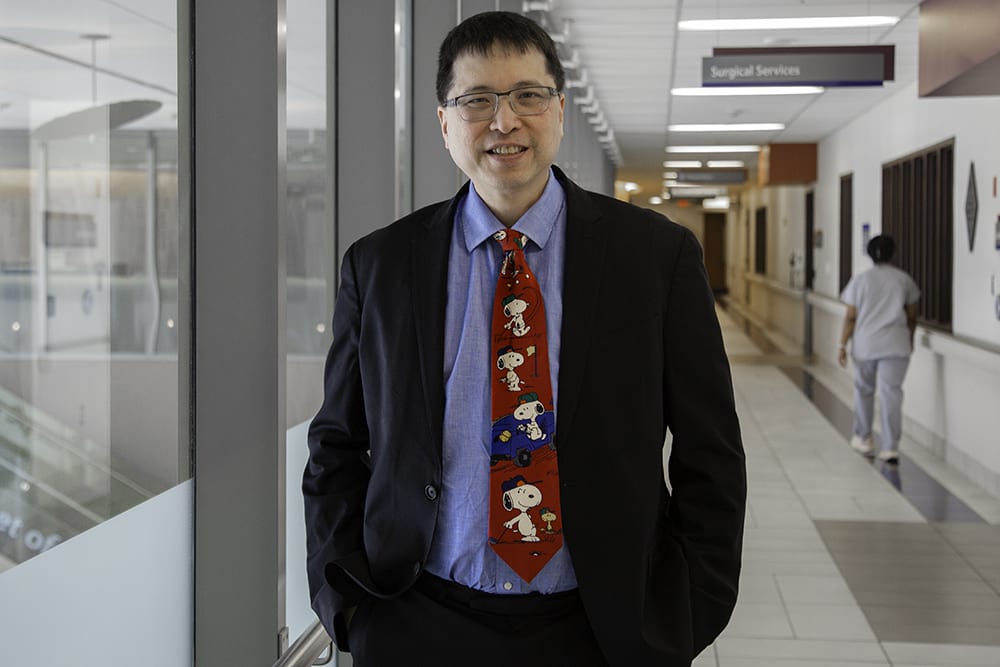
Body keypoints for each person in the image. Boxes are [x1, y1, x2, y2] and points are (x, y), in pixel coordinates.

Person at [303, 11, 746, 666]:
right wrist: (349, 608)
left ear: (560, 111)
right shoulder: (381, 265)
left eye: (527, 96)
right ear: (444, 122)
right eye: (477, 99)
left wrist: (686, 607)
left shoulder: (654, 257)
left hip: (598, 627)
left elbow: (711, 451)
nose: (503, 121)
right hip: (417, 618)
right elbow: (338, 443)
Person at [838, 234, 921, 464]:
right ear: (893, 253)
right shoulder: (904, 280)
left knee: (864, 390)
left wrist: (842, 344)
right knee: (891, 394)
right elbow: (912, 316)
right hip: (896, 345)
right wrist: (910, 338)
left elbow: (851, 316)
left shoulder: (860, 280)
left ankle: (864, 438)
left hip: (865, 344)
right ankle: (890, 447)